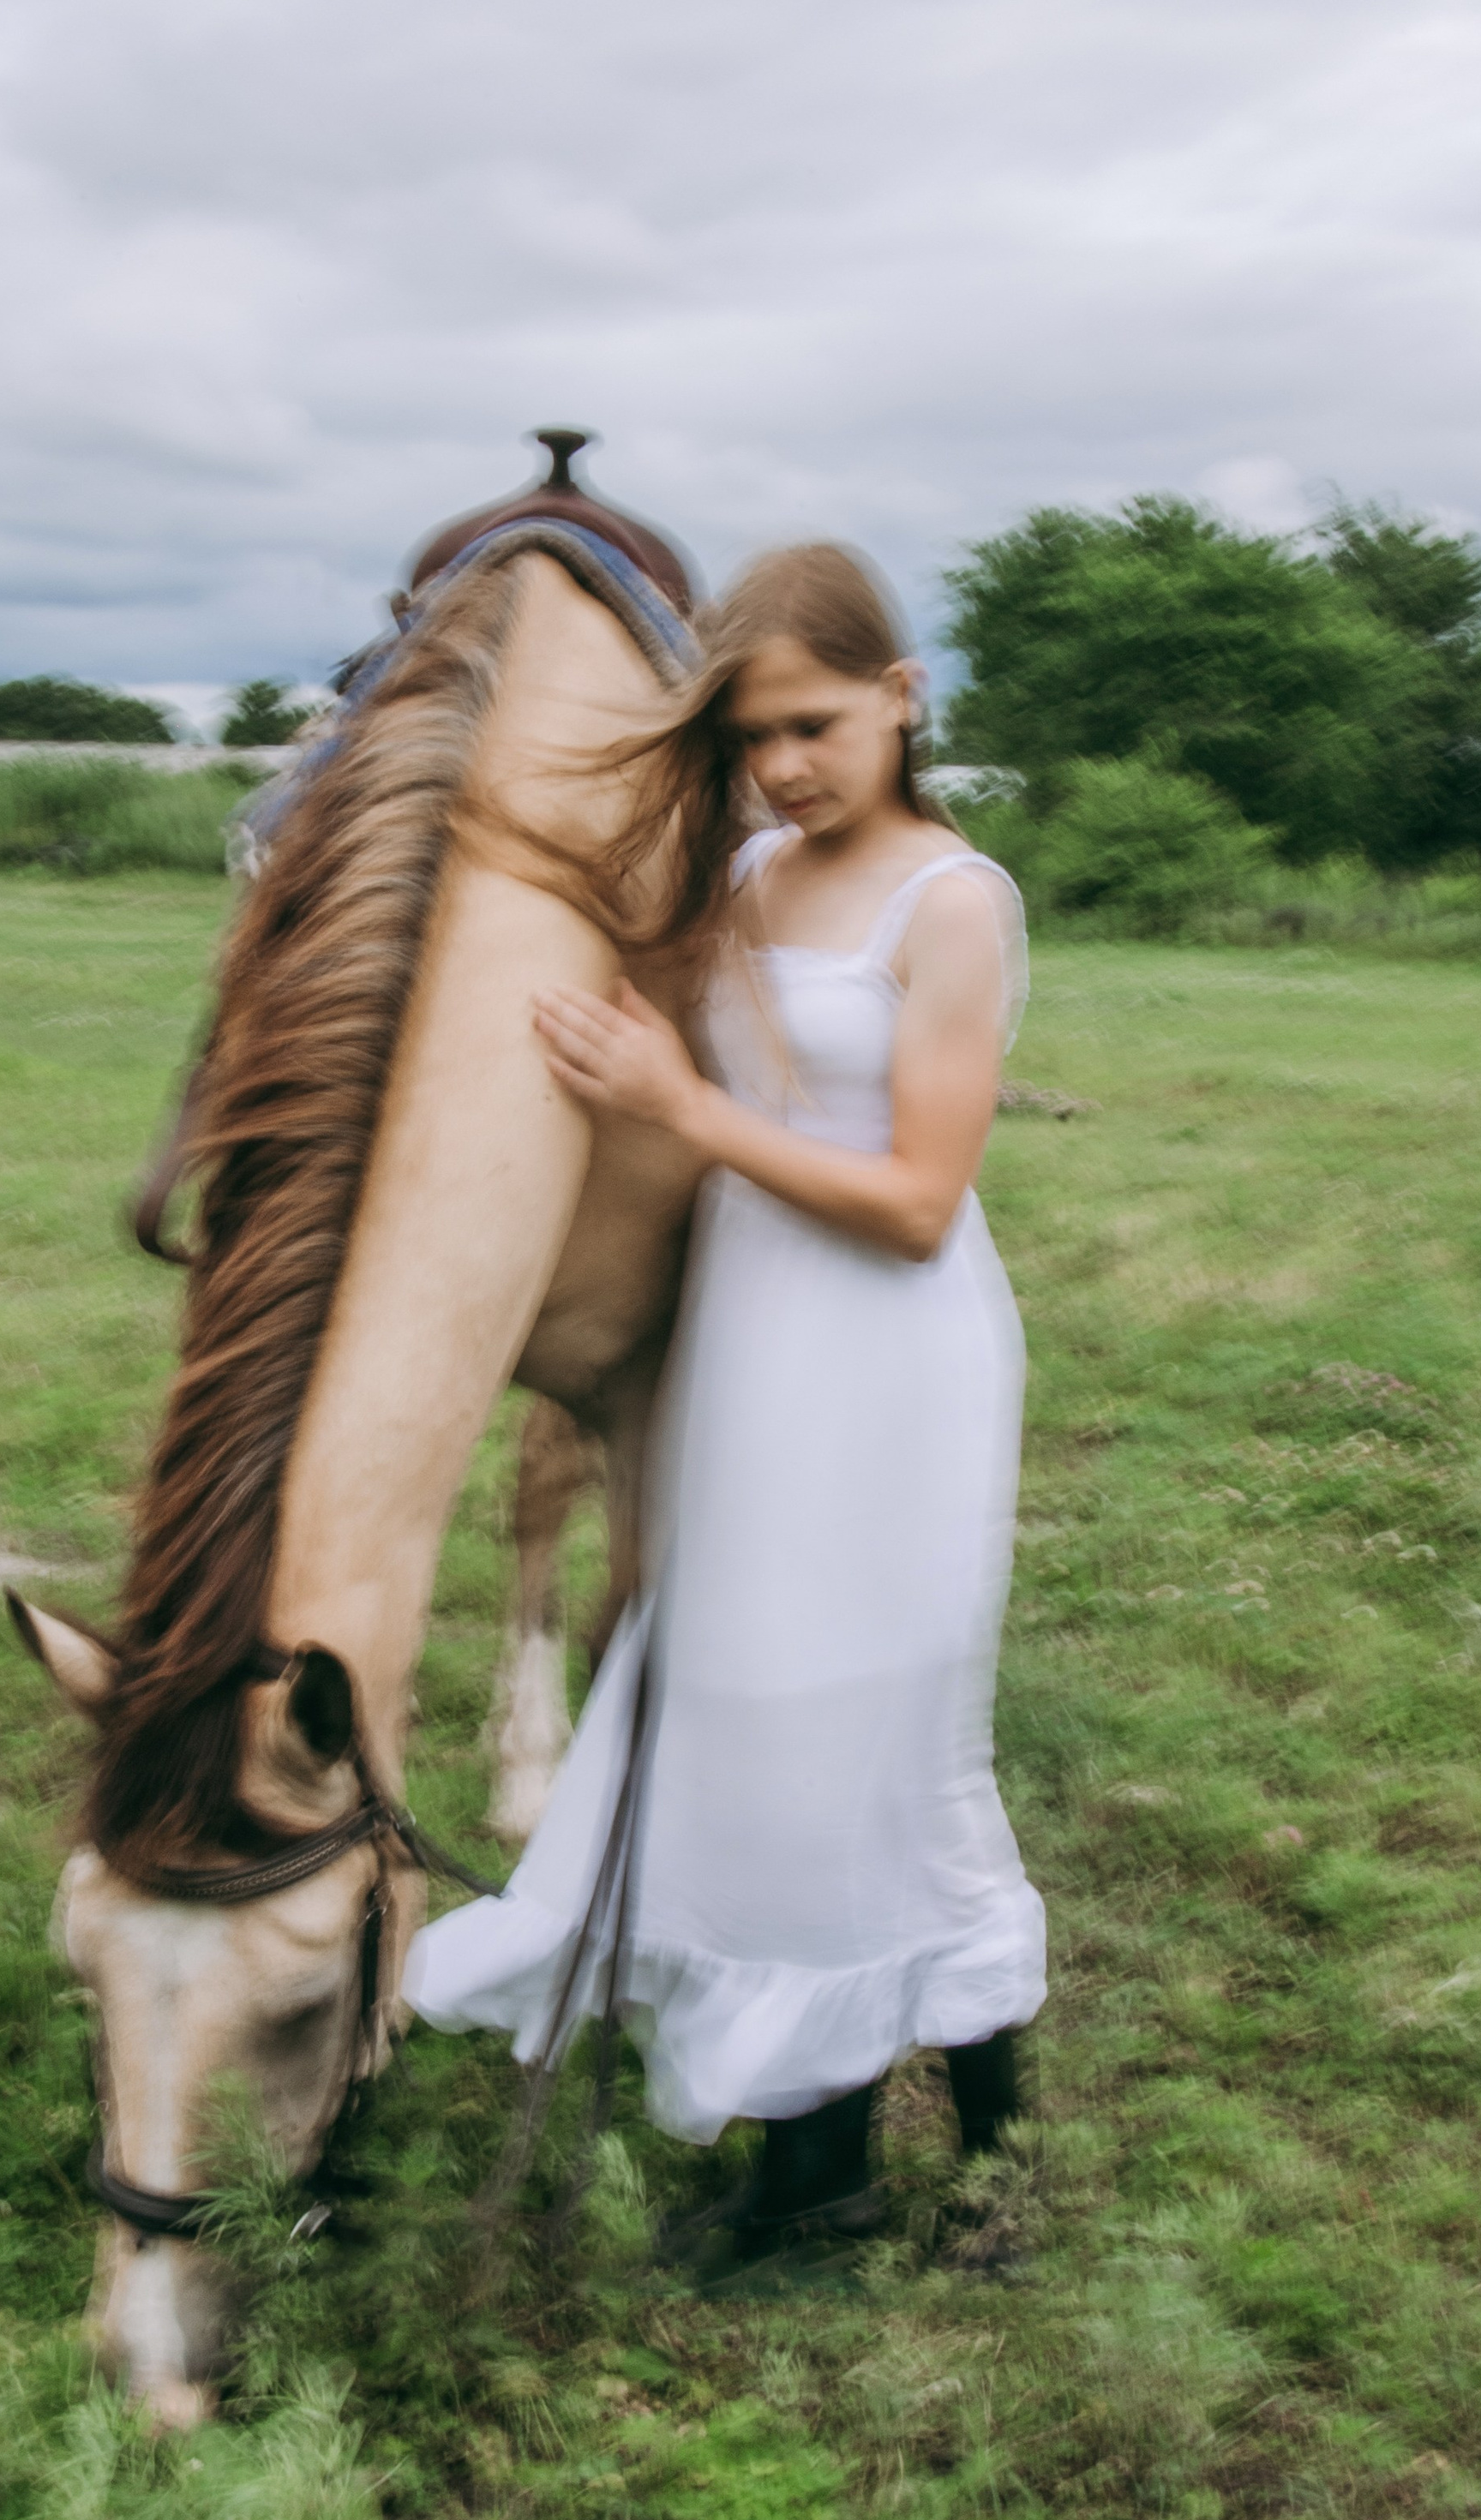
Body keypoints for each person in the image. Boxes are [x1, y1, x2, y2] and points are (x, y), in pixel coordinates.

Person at [407, 543, 1044, 2267]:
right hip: (747, 1350)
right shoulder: (751, 873)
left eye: (815, 725)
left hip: (889, 1363)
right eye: (754, 737)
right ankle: (897, 2153)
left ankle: (908, 2174)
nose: (781, 766)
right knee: (763, 1735)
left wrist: (680, 1108)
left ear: (901, 696)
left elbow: (916, 1198)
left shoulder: (950, 900)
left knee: (877, 1745)